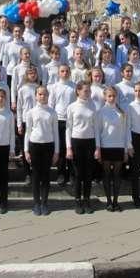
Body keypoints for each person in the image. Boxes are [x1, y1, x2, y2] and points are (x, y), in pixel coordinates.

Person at [65, 81, 100, 214]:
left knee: (88, 174)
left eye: (89, 91)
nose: (88, 93)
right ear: (78, 91)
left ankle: (87, 200)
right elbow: (68, 129)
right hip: (76, 142)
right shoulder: (72, 107)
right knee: (78, 174)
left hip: (90, 142)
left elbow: (96, 127)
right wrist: (68, 147)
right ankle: (78, 200)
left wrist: (97, 147)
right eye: (85, 91)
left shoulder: (93, 106)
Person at [24, 86, 58, 216]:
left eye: (44, 94)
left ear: (48, 96)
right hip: (35, 146)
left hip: (48, 146)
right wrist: (26, 150)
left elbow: (55, 133)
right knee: (36, 176)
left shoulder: (52, 112)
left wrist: (56, 151)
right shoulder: (31, 112)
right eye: (40, 94)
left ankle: (44, 203)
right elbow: (27, 132)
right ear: (36, 96)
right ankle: (36, 203)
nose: (42, 96)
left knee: (46, 176)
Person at [97, 86, 131, 212]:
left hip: (119, 146)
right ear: (105, 97)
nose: (111, 98)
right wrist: (98, 148)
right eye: (109, 96)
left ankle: (116, 201)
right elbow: (98, 131)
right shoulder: (101, 112)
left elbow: (126, 131)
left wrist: (126, 149)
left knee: (117, 175)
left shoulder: (121, 112)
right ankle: (109, 201)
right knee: (106, 175)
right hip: (106, 146)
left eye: (114, 96)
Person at [48, 65, 76, 185]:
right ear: (59, 73)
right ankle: (61, 173)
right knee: (60, 148)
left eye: (66, 71)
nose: (64, 73)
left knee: (70, 148)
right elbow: (51, 104)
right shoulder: (54, 87)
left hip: (71, 121)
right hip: (58, 120)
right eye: (62, 71)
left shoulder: (74, 86)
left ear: (70, 73)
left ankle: (71, 174)